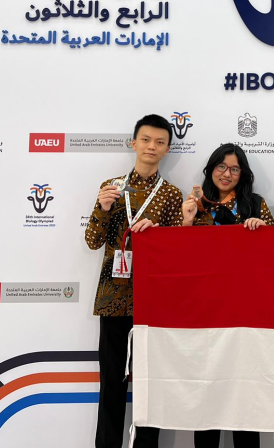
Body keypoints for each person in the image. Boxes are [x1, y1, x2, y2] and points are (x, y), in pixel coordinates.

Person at [85, 114, 184, 448]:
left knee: (148, 389)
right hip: (114, 299)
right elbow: (92, 241)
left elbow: (177, 256)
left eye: (159, 142)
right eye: (145, 139)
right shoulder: (110, 187)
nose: (151, 147)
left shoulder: (171, 195)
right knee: (111, 384)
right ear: (134, 142)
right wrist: (102, 209)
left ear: (167, 149)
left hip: (153, 303)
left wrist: (159, 236)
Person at [181, 143, 273, 448]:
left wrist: (262, 233)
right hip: (206, 311)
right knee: (207, 391)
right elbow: (180, 260)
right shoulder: (196, 204)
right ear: (211, 170)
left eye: (234, 168)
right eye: (221, 167)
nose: (227, 174)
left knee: (245, 394)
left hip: (247, 314)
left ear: (243, 174)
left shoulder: (256, 205)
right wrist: (187, 222)